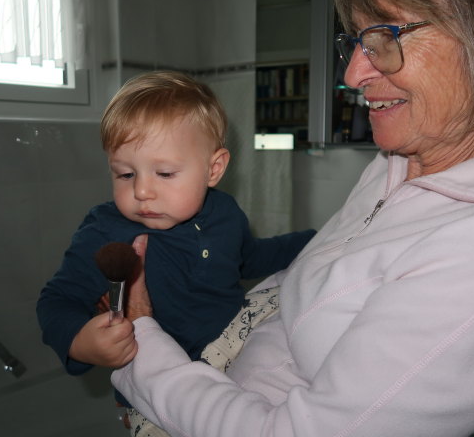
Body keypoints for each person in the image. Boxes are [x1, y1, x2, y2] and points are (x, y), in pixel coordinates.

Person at [112, 0, 474, 436]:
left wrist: (142, 344)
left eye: (385, 37)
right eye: (356, 39)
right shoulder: (402, 160)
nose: (354, 74)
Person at [36, 71, 316, 429]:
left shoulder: (225, 213)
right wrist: (79, 341)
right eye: (125, 174)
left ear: (213, 169)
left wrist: (315, 239)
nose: (141, 191)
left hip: (238, 369)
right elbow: (57, 298)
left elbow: (249, 258)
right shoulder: (106, 230)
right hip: (157, 393)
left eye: (164, 174)